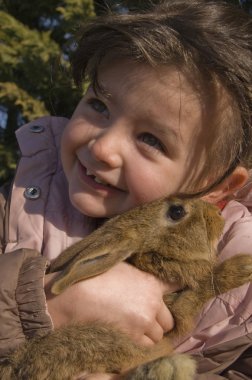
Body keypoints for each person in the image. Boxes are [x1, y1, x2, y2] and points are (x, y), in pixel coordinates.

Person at [0, 0, 251, 378]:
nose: (101, 146)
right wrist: (47, 299)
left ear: (217, 187)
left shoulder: (240, 285)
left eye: (151, 139)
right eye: (99, 105)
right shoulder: (21, 203)